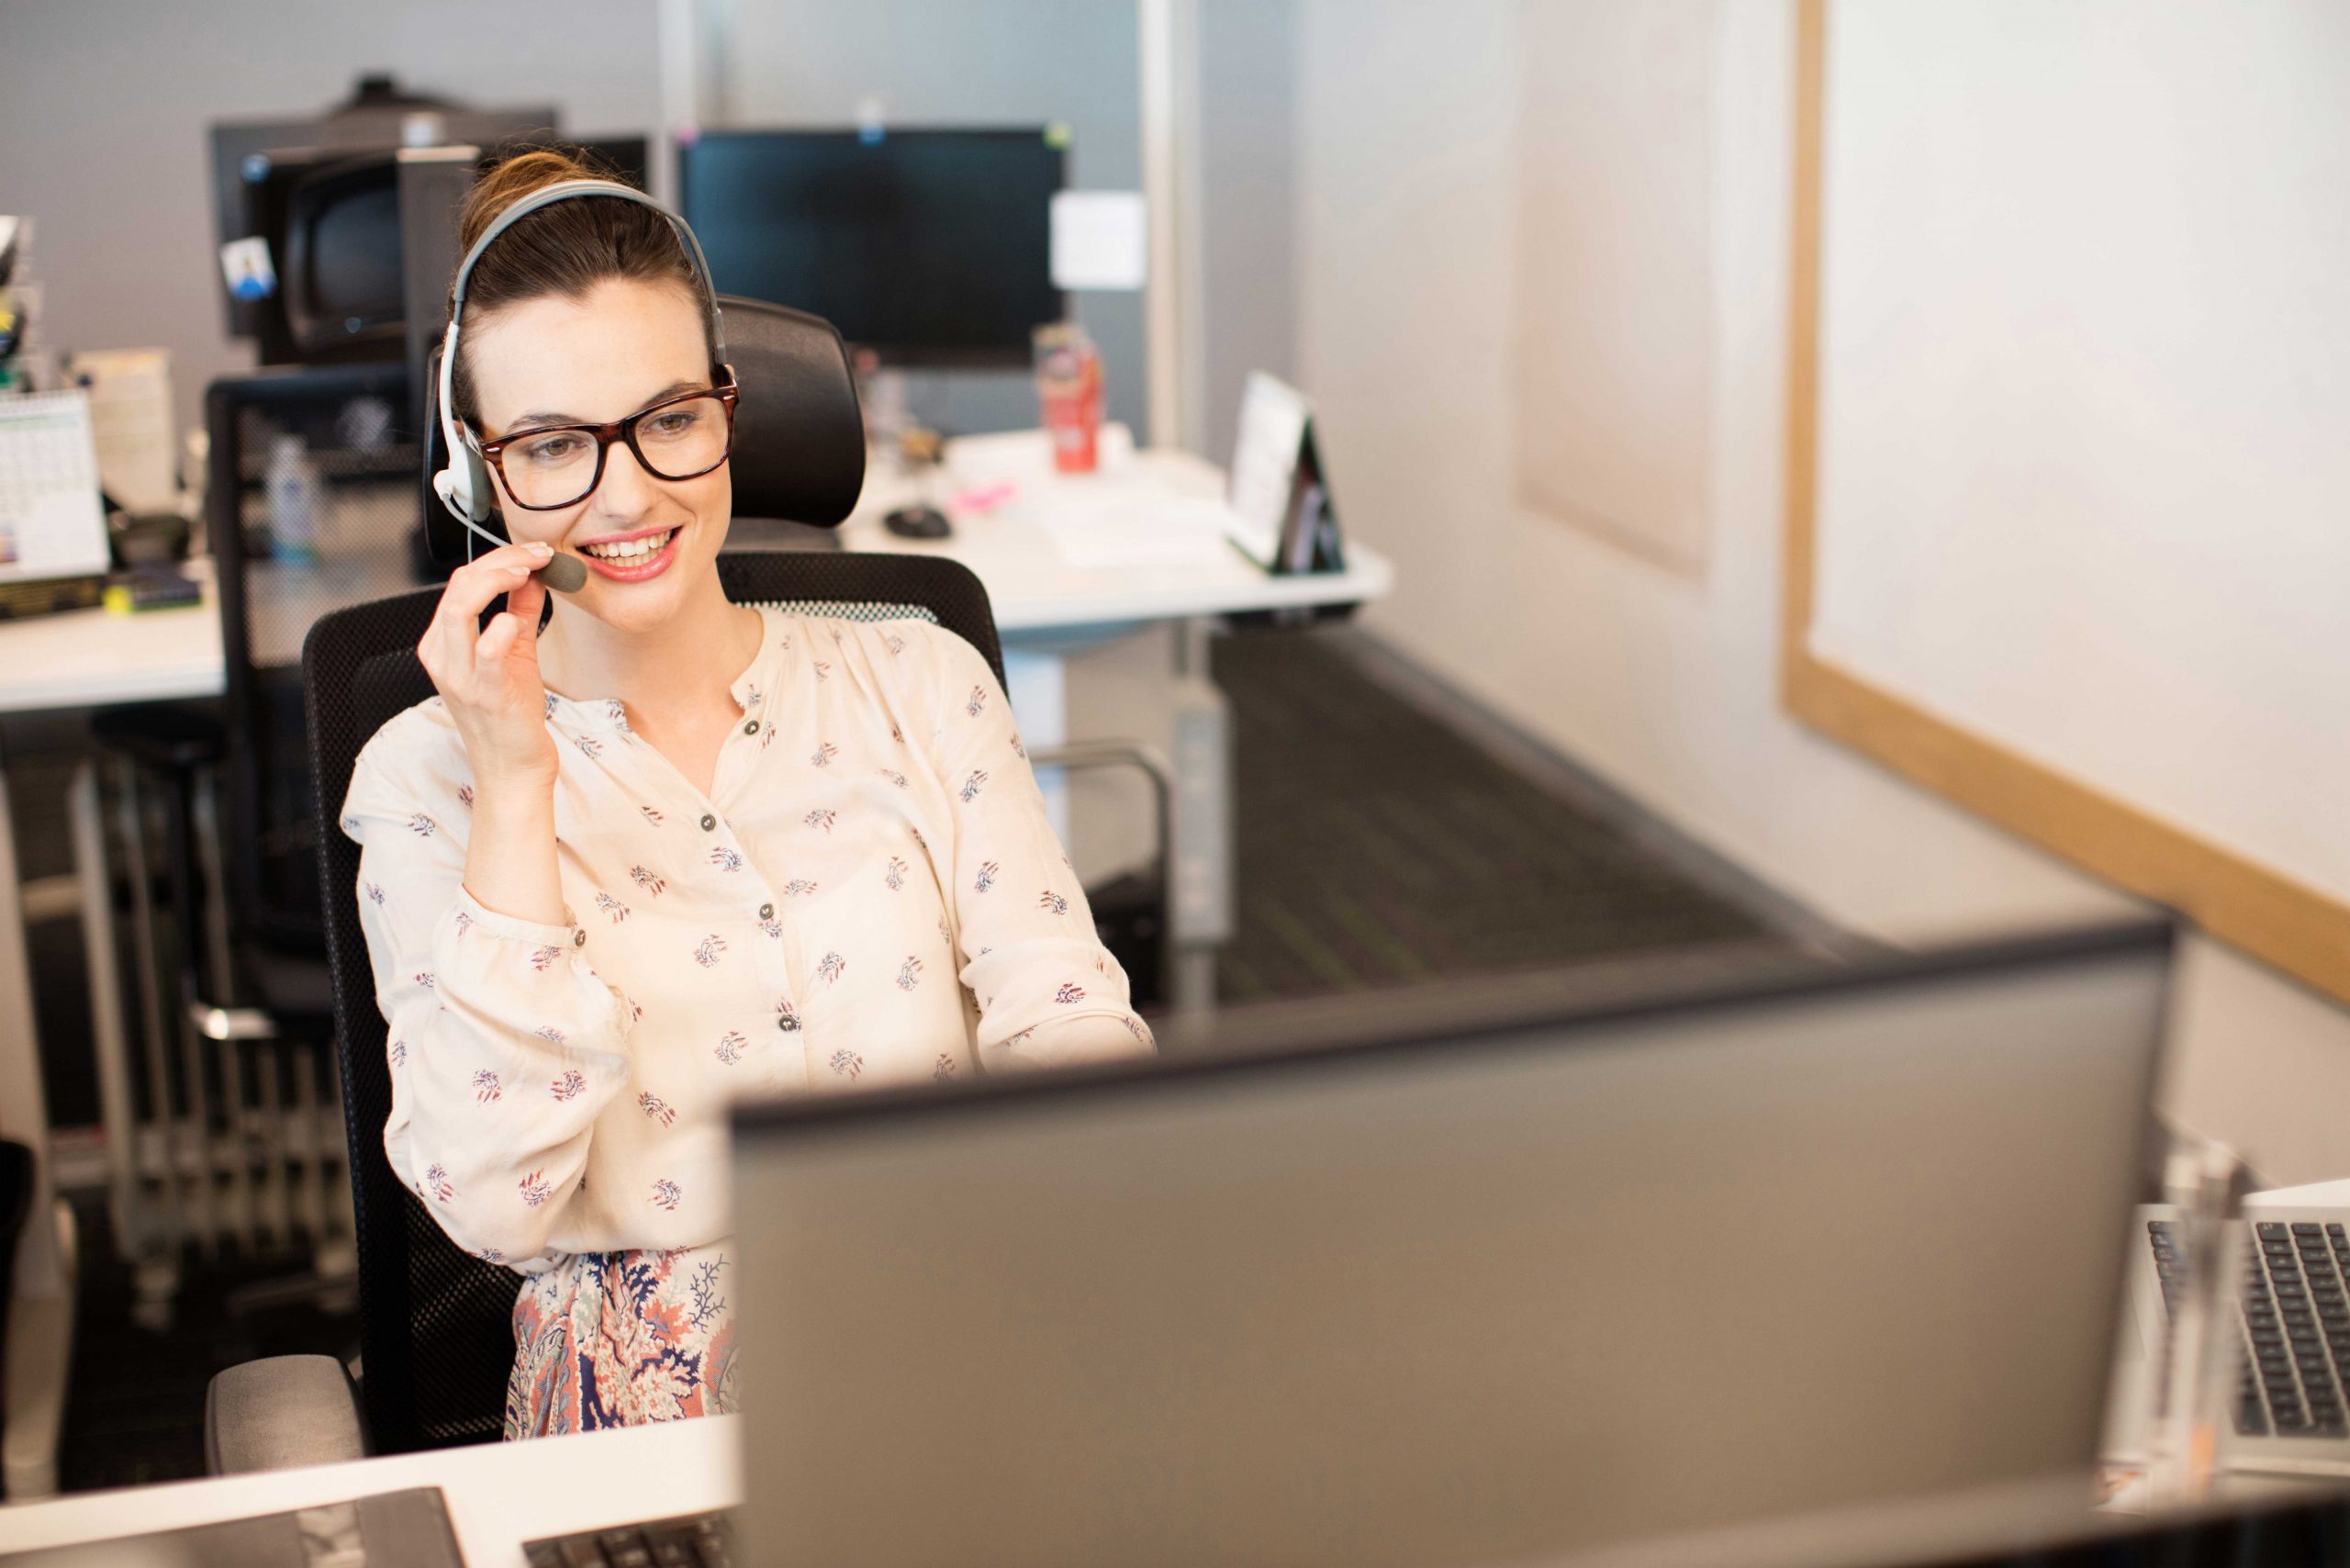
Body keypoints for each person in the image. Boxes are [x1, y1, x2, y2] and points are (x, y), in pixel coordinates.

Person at [340, 149, 1154, 1439]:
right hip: (650, 1414)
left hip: (964, 1311)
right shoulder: (427, 773)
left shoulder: (918, 678)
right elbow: (490, 1206)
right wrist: (513, 784)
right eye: (553, 445)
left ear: (727, 408)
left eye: (668, 419)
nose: (629, 492)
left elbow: (1070, 1024)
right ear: (474, 469)